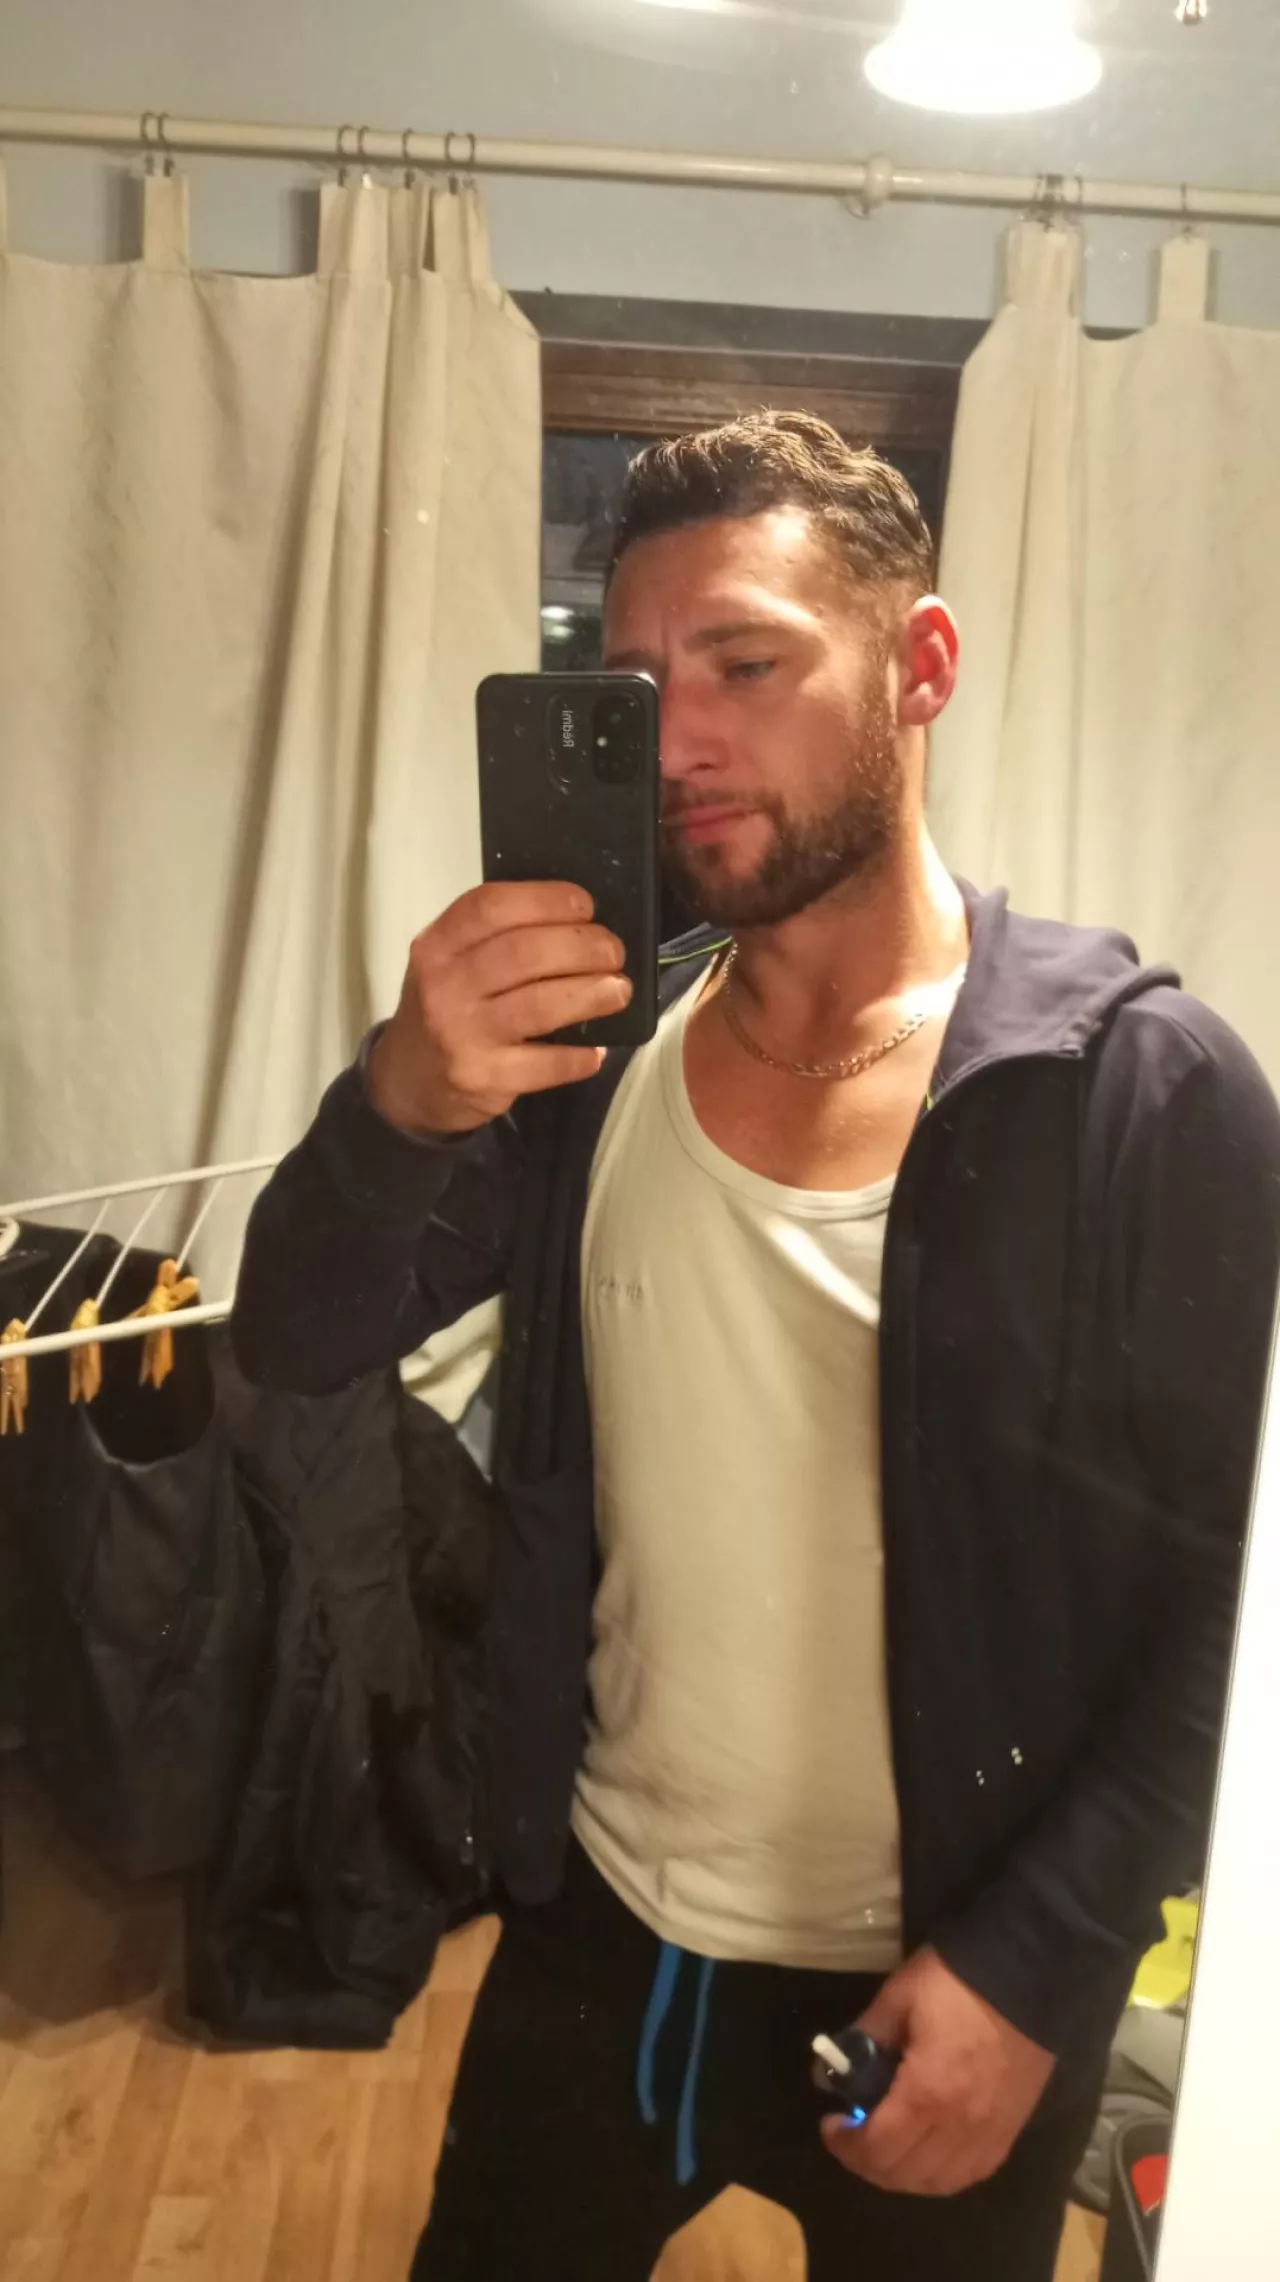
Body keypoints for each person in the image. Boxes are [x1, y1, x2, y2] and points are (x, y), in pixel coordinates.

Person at [231, 412, 1280, 2281]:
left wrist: (1044, 1958)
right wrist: (398, 1095)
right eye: (637, 685)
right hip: (596, 1926)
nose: (677, 742)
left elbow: (1233, 1607)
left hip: (944, 1983)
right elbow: (300, 1337)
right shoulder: (588, 1062)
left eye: (748, 663)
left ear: (919, 665)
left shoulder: (1138, 1093)